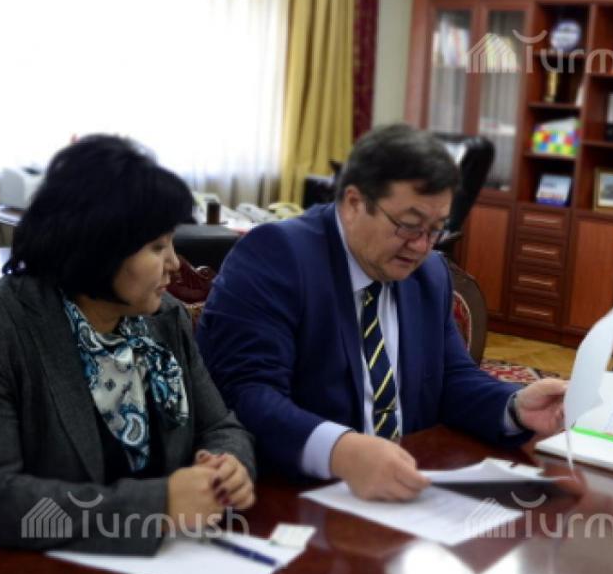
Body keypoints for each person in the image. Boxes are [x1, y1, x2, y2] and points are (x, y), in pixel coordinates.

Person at [0, 135, 255, 568]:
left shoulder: (165, 319)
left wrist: (228, 467)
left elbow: (222, 426)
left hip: (166, 561)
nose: (174, 264)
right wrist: (157, 505)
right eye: (157, 247)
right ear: (99, 246)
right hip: (9, 567)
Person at [198, 124, 566, 501]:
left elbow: (451, 378)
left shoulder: (430, 274)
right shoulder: (278, 256)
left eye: (437, 230)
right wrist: (340, 450)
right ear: (354, 203)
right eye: (409, 227)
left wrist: (514, 407)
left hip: (407, 488)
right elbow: (246, 395)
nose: (421, 246)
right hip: (300, 494)